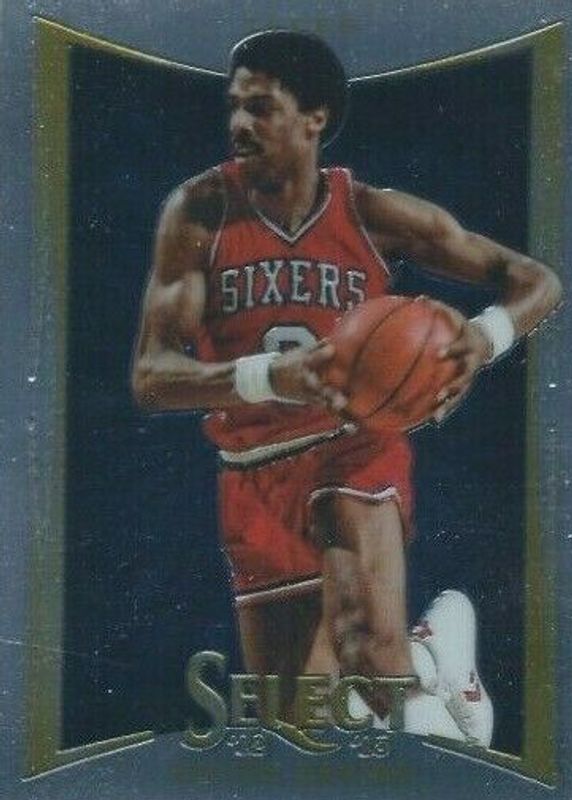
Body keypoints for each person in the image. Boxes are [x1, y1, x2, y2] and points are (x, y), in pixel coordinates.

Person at [131, 30, 561, 744]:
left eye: (260, 107)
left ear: (315, 118)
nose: (239, 123)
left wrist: (484, 339)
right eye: (234, 106)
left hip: (351, 448)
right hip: (252, 472)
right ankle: (432, 657)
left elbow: (536, 281)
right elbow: (151, 377)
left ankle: (407, 679)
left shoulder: (370, 213)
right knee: (304, 725)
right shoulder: (199, 211)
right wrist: (267, 376)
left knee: (368, 652)